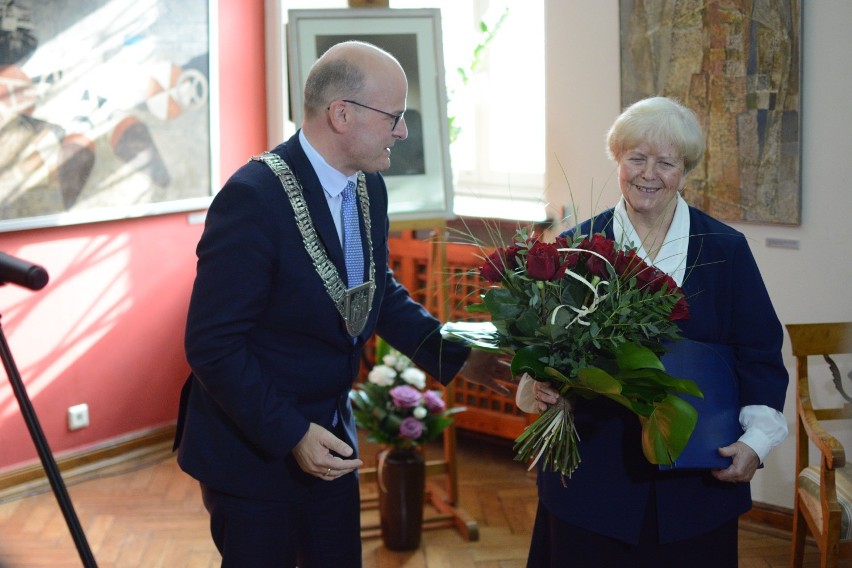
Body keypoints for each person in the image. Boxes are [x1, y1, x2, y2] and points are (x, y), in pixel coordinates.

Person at [173, 41, 506, 567]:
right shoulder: (253, 197)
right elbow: (213, 345)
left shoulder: (369, 186)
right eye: (394, 116)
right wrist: (290, 434)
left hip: (331, 437)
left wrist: (460, 357)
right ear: (342, 114)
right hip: (254, 448)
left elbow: (378, 294)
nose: (402, 130)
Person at [516, 96, 788, 567]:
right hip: (591, 483)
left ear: (686, 169)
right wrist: (539, 387)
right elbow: (545, 350)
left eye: (665, 162)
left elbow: (759, 351)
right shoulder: (576, 247)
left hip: (696, 485)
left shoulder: (726, 249)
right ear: (618, 159)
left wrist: (756, 441)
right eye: (636, 158)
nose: (648, 173)